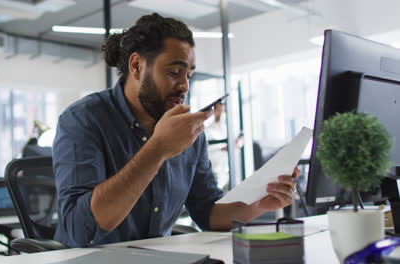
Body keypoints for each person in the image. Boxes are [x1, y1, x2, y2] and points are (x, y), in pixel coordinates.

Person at [52, 13, 300, 248]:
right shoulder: (83, 120)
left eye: (189, 75)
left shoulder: (189, 133)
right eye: (174, 72)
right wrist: (158, 148)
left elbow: (208, 213)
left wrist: (260, 203)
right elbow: (79, 229)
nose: (183, 86)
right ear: (137, 65)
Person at [204, 102, 243, 191]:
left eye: (224, 111)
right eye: (219, 110)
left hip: (228, 171)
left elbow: (238, 144)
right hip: (215, 172)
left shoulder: (228, 129)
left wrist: (239, 143)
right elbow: (206, 152)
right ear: (214, 111)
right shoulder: (208, 131)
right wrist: (222, 149)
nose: (222, 113)